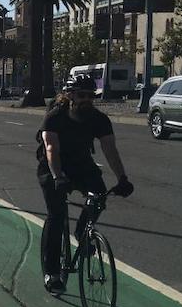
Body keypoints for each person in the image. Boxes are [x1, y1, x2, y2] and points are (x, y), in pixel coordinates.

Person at [36, 74, 134, 294]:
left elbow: (110, 149)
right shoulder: (54, 117)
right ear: (69, 95)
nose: (87, 100)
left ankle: (82, 233)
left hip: (81, 164)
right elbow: (51, 149)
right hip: (53, 167)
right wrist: (58, 177)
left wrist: (122, 178)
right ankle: (52, 273)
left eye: (91, 96)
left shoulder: (98, 119)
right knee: (57, 215)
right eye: (81, 95)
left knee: (98, 195)